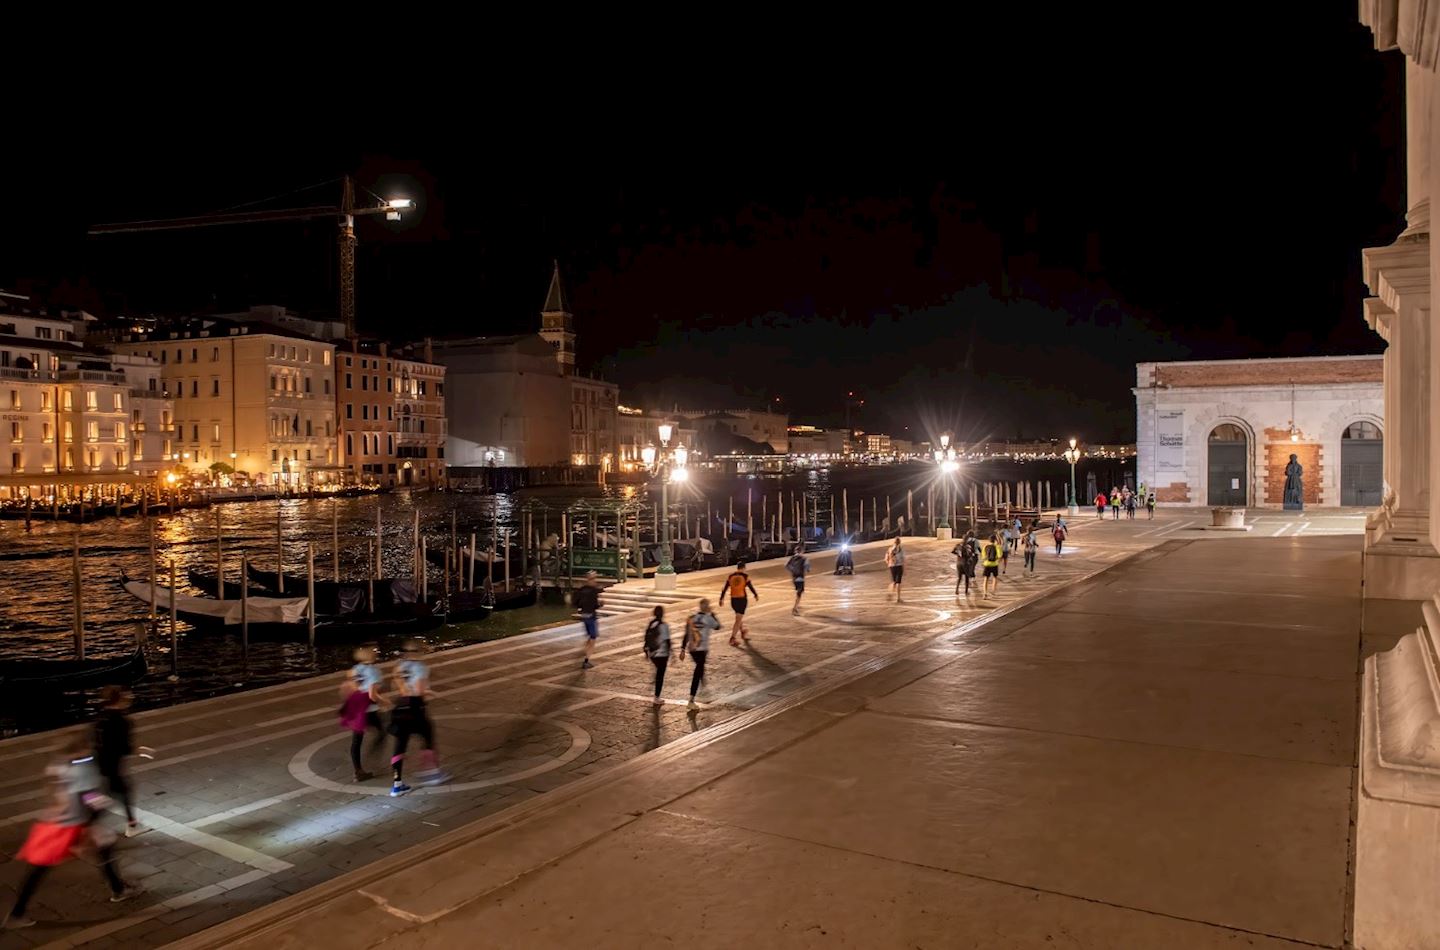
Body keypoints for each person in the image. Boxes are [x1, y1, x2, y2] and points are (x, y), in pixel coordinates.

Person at [4, 733, 140, 929]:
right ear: (79, 750)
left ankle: (118, 888)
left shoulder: (57, 765)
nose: (89, 750)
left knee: (40, 868)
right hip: (71, 825)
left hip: (51, 823)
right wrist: (99, 806)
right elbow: (88, 797)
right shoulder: (80, 770)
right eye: (86, 747)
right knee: (101, 848)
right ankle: (118, 890)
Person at [387, 639, 449, 797]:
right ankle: (432, 773)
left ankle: (397, 784)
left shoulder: (400, 667)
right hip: (416, 707)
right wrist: (430, 693)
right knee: (427, 737)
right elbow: (420, 690)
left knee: (399, 746)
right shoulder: (421, 667)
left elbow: (398, 686)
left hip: (401, 706)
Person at [94, 686, 147, 837]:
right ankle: (131, 826)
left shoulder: (100, 719)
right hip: (115, 765)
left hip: (102, 763)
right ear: (120, 700)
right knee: (120, 793)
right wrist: (139, 750)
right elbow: (124, 748)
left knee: (114, 793)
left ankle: (131, 823)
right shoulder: (123, 722)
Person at [346, 645, 388, 783]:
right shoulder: (374, 671)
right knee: (382, 733)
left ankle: (358, 771)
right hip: (369, 709)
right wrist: (384, 702)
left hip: (357, 708)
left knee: (357, 740)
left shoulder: (355, 670)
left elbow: (352, 687)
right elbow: (372, 694)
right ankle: (372, 756)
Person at [682, 599, 722, 711]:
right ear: (707, 607)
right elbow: (718, 626)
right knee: (698, 670)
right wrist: (713, 614)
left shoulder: (692, 618)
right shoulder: (708, 618)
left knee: (699, 667)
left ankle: (701, 678)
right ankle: (691, 700)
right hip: (702, 649)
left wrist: (682, 648)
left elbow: (686, 633)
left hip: (692, 649)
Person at [720, 562, 758, 646]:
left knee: (738, 616)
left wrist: (721, 598)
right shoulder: (745, 576)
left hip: (733, 600)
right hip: (742, 599)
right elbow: (750, 587)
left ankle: (743, 631)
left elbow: (725, 588)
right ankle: (732, 638)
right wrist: (755, 595)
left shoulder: (731, 576)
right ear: (744, 568)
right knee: (738, 619)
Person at [643, 606, 671, 706]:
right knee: (660, 675)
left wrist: (646, 651)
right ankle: (656, 697)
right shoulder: (664, 625)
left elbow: (646, 638)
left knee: (658, 672)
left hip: (652, 653)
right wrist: (671, 654)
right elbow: (667, 641)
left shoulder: (651, 624)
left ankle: (656, 693)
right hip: (662, 653)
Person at [575, 571, 602, 670]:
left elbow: (577, 602)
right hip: (591, 616)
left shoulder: (582, 590)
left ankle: (585, 651)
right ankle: (586, 660)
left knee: (590, 636)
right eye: (594, 578)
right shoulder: (593, 591)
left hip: (584, 615)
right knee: (593, 638)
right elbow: (595, 605)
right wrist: (601, 604)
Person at [787, 543, 810, 616]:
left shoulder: (792, 558)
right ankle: (795, 608)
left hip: (794, 577)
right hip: (800, 577)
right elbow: (807, 567)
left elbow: (787, 566)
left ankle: (797, 603)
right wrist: (806, 570)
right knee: (799, 592)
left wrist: (793, 570)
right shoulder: (804, 558)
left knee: (798, 591)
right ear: (801, 551)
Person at [953, 531, 978, 598]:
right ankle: (966, 591)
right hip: (965, 563)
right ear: (967, 539)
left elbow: (953, 551)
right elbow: (970, 554)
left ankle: (957, 589)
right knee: (967, 578)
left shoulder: (958, 545)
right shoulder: (967, 546)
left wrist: (958, 555)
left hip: (958, 563)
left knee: (959, 578)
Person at [884, 537, 906, 602]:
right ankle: (898, 598)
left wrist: (889, 564)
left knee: (893, 581)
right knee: (898, 582)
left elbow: (886, 559)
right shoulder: (901, 550)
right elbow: (903, 560)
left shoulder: (890, 549)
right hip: (899, 566)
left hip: (892, 566)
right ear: (900, 543)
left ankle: (890, 592)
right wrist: (904, 568)